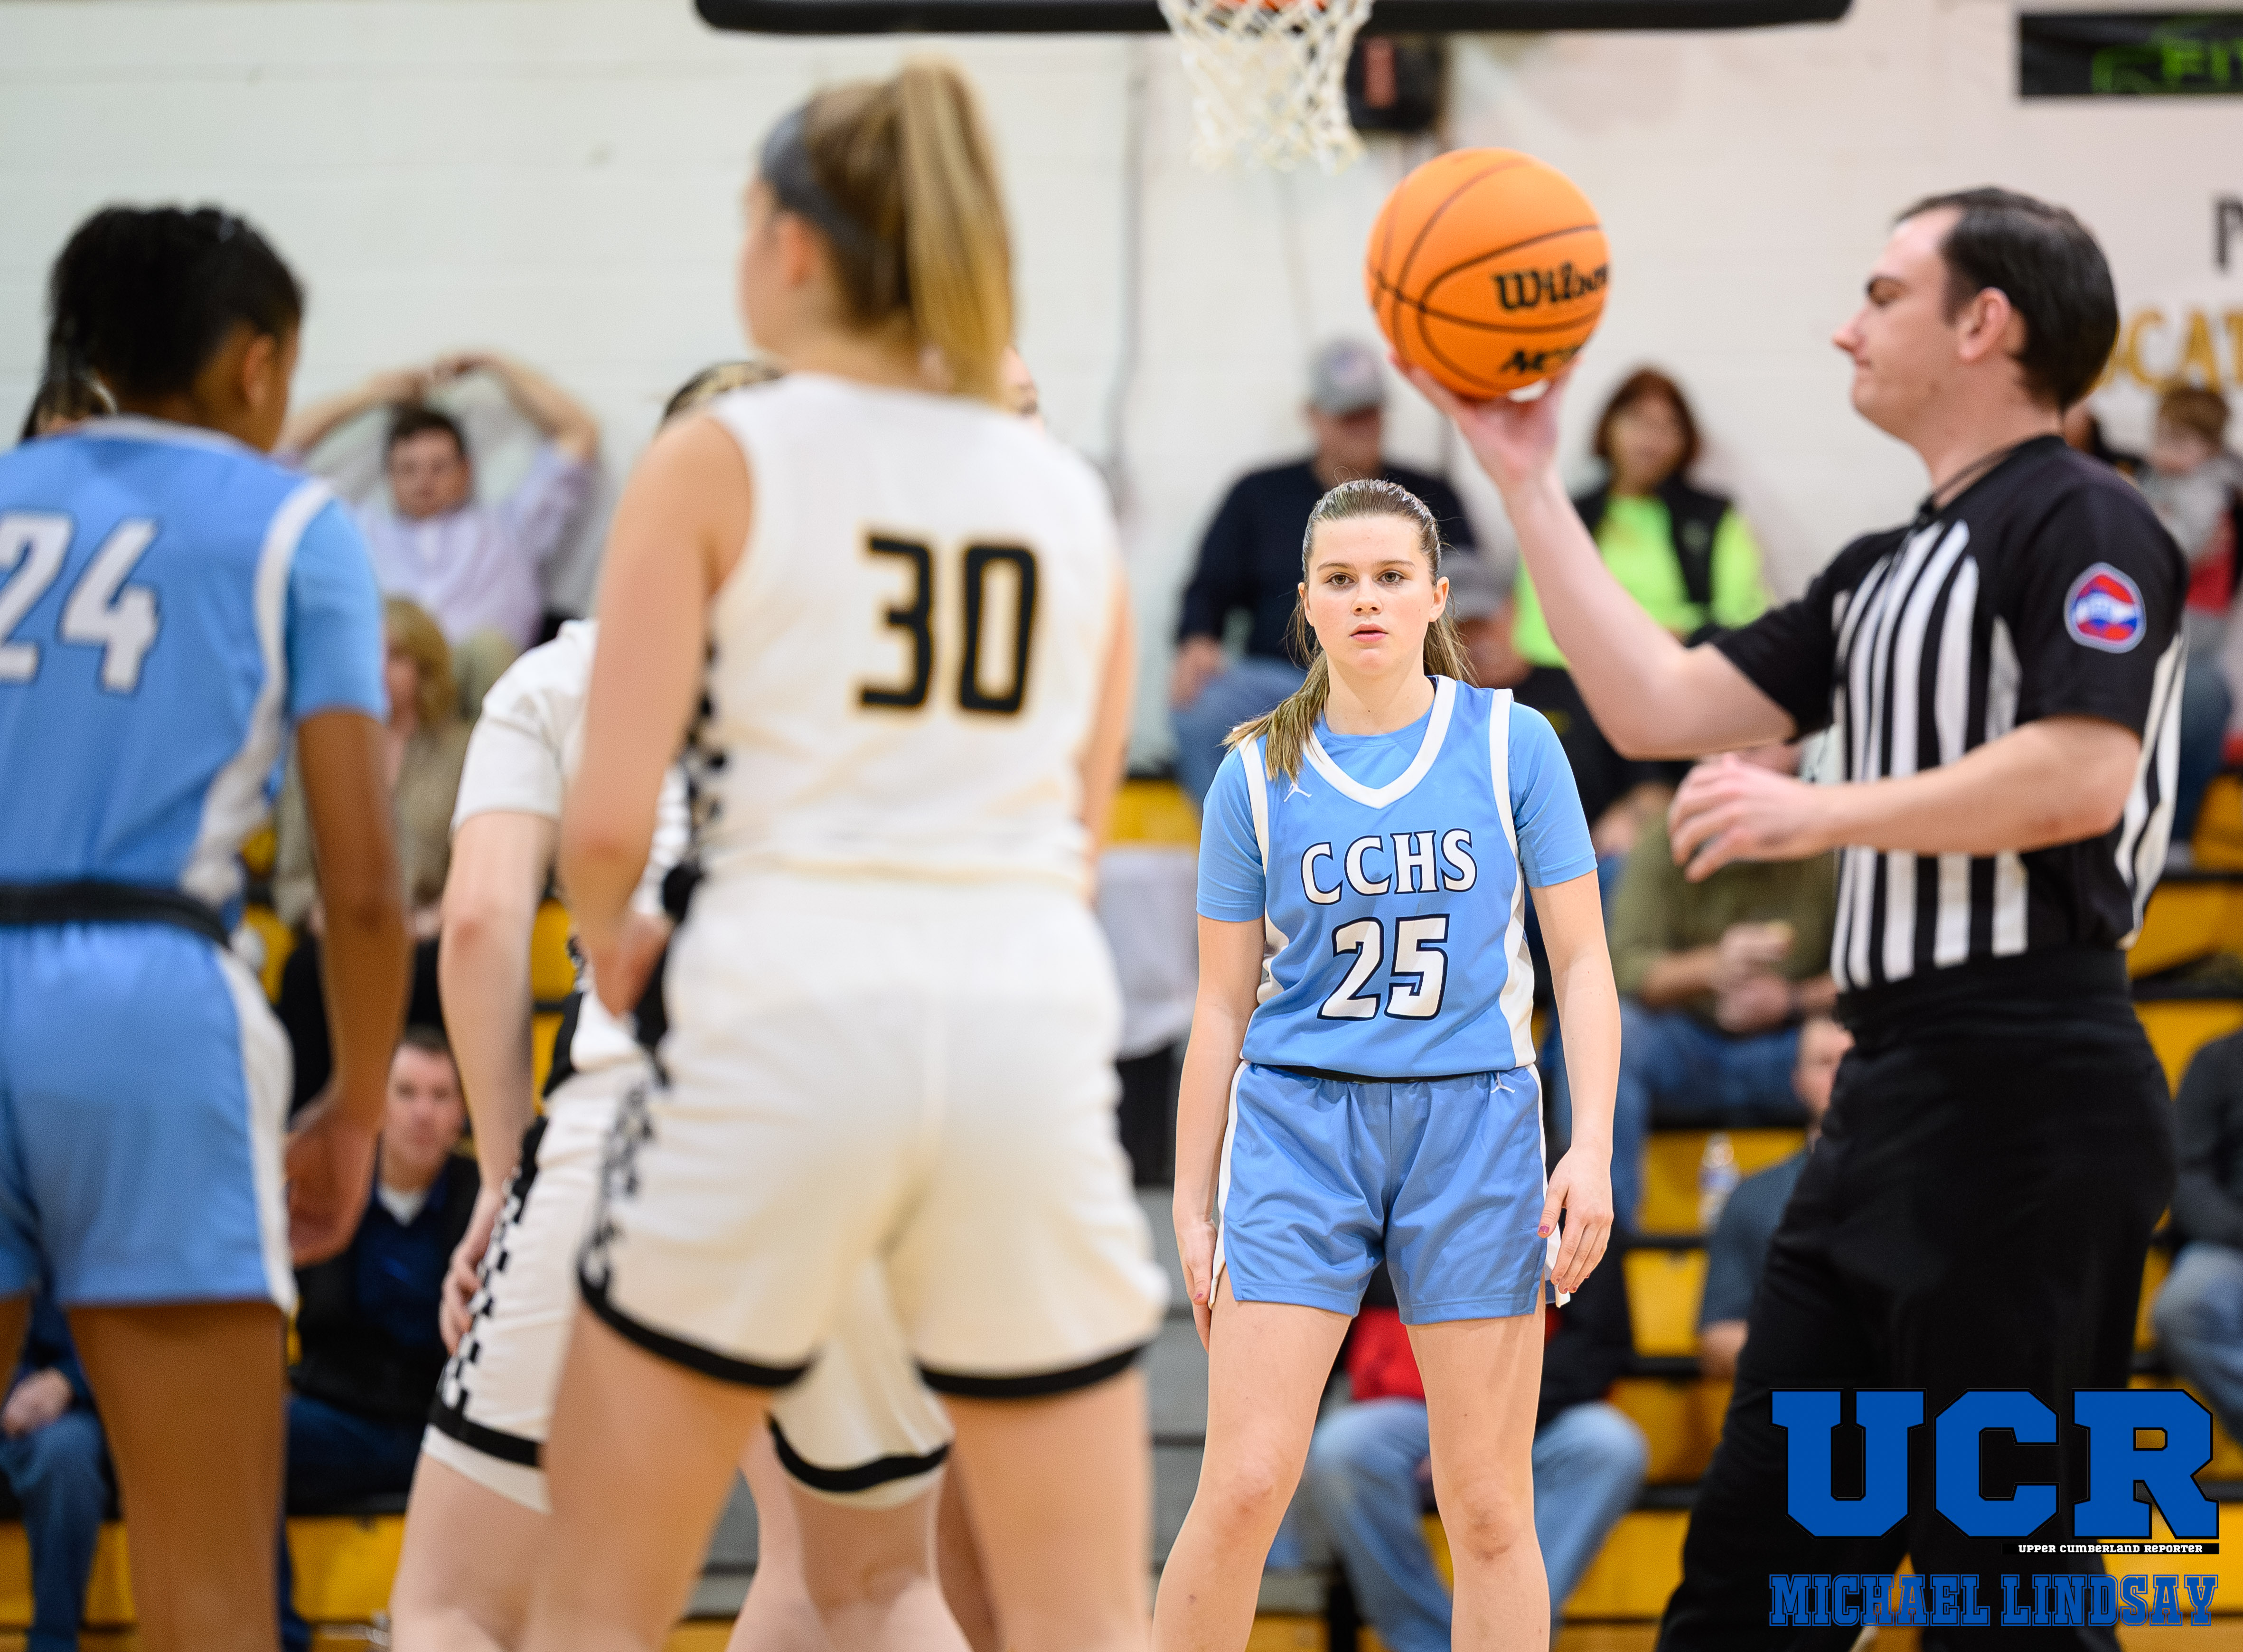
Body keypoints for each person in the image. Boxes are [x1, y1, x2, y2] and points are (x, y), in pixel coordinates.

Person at [1413, 186, 2183, 1647]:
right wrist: (1524, 478)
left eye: (1882, 295)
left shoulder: (2087, 516)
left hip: (2031, 1087)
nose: (1846, 326)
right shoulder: (1880, 569)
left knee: (2006, 1593)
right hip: (1887, 1099)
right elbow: (1655, 703)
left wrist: (1822, 809)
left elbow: (2083, 772)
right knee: (1746, 1591)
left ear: (1984, 323)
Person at [513, 62, 1167, 1652]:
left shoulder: (718, 458)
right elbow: (1076, 841)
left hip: (784, 1007)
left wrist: (618, 942)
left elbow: (605, 827)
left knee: (598, 1599)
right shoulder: (1069, 500)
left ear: (793, 248)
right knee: (1083, 1617)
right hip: (1019, 1025)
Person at [391, 357, 990, 1652]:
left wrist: (501, 1174)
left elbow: (480, 924)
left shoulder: (563, 675)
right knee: (879, 1586)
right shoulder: (906, 677)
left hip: (638, 1127)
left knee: (459, 1599)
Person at [0, 205, 408, 1652]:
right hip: (145, 995)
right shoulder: (293, 523)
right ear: (256, 363)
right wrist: (356, 1106)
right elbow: (362, 881)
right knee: (210, 1563)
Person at [1157, 477, 1618, 1652]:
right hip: (1298, 1125)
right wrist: (1191, 1201)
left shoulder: (1514, 743)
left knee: (1489, 1503)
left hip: (1475, 1123)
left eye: (1391, 577)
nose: (1366, 598)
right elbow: (1218, 1007)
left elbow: (1581, 964)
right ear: (1306, 603)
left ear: (1436, 597)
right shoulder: (1252, 773)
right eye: (1342, 579)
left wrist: (1591, 1148)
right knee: (1245, 1483)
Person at [1170, 339, 1477, 807]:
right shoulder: (1259, 495)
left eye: (1369, 413)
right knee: (1205, 704)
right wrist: (1196, 638)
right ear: (1313, 416)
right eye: (1347, 416)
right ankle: (1245, 841)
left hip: (1398, 681)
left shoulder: (1429, 495)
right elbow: (1209, 587)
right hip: (1283, 682)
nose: (1361, 428)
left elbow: (1473, 589)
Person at [1296, 1240, 1643, 1651]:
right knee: (1341, 1449)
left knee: (1610, 1445)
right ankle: (1429, 1643)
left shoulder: (1561, 1204)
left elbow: (1600, 1342)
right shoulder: (1379, 1204)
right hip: (1408, 1413)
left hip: (1532, 1409)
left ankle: (1509, 1634)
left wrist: (1478, 1434)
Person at [1574, 740, 1837, 1224]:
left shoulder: (1826, 844)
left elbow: (1866, 973)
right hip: (1686, 1046)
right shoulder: (1666, 835)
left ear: (1794, 755)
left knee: (1852, 1045)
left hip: (1788, 1049)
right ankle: (1605, 1240)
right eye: (1718, 753)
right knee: (1608, 1035)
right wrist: (1711, 967)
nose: (1732, 768)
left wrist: (1790, 1000)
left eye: (1753, 751)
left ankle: (1843, 1218)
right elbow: (1622, 966)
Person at [1511, 370, 1770, 854]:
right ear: (1608, 427)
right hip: (1585, 679)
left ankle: (1650, 807)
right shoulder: (1569, 514)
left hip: (1681, 669)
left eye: (1667, 426)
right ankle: (1605, 833)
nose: (1651, 439)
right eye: (1637, 422)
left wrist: (1664, 641)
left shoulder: (1714, 516)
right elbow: (1535, 630)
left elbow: (1744, 615)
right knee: (1559, 716)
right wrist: (1615, 656)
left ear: (1686, 440)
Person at [282, 1027, 478, 1651]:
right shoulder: (328, 1188)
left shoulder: (487, 1202)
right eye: (407, 1093)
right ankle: (276, 1634)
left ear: (462, 1113)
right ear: (379, 1105)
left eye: (440, 1096)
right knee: (247, 1441)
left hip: (447, 1429)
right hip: (343, 1419)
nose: (423, 1112)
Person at [274, 595, 472, 1101]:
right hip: (340, 930)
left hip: (425, 932)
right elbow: (293, 876)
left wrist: (430, 920)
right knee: (305, 972)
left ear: (425, 669)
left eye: (397, 656)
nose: (381, 669)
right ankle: (307, 1123)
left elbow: (474, 864)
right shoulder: (317, 747)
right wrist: (326, 916)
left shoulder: (461, 752)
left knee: (434, 972)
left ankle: (431, 1120)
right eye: (370, 653)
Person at [282, 353, 599, 652]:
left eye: (439, 467)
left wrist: (494, 366)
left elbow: (578, 433)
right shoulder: (359, 534)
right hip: (391, 679)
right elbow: (275, 457)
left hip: (484, 683)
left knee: (486, 650)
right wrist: (369, 395)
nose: (424, 481)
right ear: (389, 475)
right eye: (409, 469)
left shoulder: (512, 528)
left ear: (466, 470)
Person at [1696, 1015, 1850, 1382]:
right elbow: (1717, 1338)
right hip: (1803, 1403)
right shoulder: (1753, 1199)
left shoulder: (1920, 1189)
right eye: (1823, 1063)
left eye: (1852, 1060)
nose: (1841, 1076)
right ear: (1797, 1081)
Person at [2136, 386, 2243, 850]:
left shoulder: (2208, 489)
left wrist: (2144, 525)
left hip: (2194, 627)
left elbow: (2177, 549)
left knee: (2198, 698)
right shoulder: (2160, 479)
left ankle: (2173, 838)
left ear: (2210, 449)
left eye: (2179, 442)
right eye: (2161, 438)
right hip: (2167, 621)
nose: (2164, 451)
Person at [0, 1289, 108, 1652]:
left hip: (76, 1402)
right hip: (14, 1387)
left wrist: (69, 1380)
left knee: (65, 1453)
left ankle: (53, 1642)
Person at [2151, 1027, 2243, 1441]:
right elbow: (2183, 1173)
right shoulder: (2219, 1060)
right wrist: (2233, 1230)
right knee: (2184, 1306)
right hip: (2232, 1246)